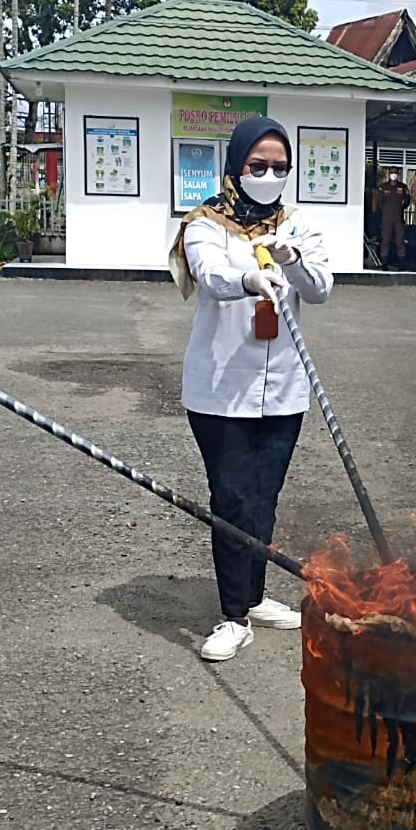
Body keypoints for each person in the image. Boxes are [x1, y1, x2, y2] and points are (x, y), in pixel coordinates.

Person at [171, 116, 331, 663]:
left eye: (279, 167)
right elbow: (211, 276)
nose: (268, 176)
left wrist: (292, 260)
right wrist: (249, 278)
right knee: (233, 497)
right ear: (235, 166)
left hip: (283, 388)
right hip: (221, 391)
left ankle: (256, 595)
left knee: (265, 497)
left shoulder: (297, 225)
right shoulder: (205, 223)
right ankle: (232, 614)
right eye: (257, 166)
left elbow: (322, 290)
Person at [378, 173, 411, 264]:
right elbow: (379, 202)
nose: (393, 174)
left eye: (395, 172)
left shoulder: (403, 187)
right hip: (387, 217)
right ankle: (384, 261)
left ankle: (401, 261)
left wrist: (400, 208)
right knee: (386, 239)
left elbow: (407, 200)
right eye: (392, 172)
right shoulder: (383, 187)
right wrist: (385, 211)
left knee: (400, 239)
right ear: (389, 174)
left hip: (398, 217)